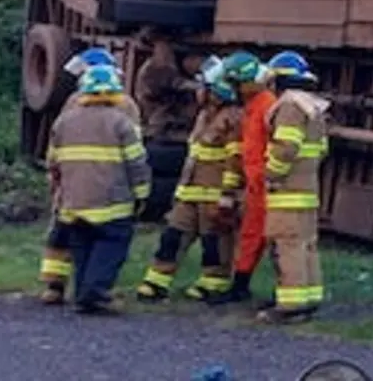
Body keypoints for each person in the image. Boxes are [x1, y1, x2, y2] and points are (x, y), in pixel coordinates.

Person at [44, 65, 152, 314]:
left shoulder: (63, 123)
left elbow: (53, 163)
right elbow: (136, 163)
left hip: (73, 205)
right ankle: (95, 293)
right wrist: (142, 194)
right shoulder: (121, 123)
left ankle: (83, 294)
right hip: (112, 204)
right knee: (111, 245)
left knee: (82, 247)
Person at [136, 62, 244, 302]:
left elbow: (235, 160)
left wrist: (228, 194)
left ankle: (212, 284)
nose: (197, 92)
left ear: (217, 91)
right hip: (190, 193)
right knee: (173, 236)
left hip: (214, 195)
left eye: (203, 87)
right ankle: (156, 282)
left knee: (214, 243)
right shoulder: (204, 115)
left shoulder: (234, 119)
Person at [256, 50, 331, 324]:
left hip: (287, 193)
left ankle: (291, 305)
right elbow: (322, 149)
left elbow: (285, 147)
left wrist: (270, 175)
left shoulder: (289, 106)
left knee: (286, 245)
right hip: (307, 191)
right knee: (305, 245)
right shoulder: (313, 107)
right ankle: (308, 297)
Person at [210, 50, 277, 305]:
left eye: (234, 84)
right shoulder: (255, 105)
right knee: (251, 233)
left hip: (266, 184)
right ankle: (240, 285)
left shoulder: (266, 106)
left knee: (272, 237)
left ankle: (281, 291)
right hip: (257, 184)